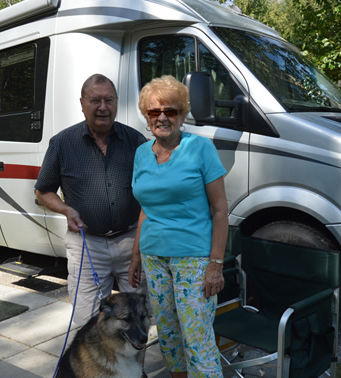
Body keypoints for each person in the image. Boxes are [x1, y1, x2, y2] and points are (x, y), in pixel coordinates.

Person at [128, 75, 228, 378]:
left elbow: (220, 210)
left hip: (193, 259)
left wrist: (216, 264)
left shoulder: (201, 149)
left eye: (170, 111)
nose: (162, 117)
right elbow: (146, 208)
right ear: (146, 117)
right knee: (169, 337)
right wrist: (135, 256)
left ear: (182, 115)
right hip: (154, 256)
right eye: (154, 112)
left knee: (197, 341)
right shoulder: (141, 153)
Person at [35, 73, 148, 326]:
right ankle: (93, 367)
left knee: (139, 317)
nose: (103, 107)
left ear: (117, 103)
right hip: (87, 246)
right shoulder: (63, 143)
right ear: (82, 103)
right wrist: (66, 210)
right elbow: (43, 191)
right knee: (88, 321)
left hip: (131, 243)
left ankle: (133, 366)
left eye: (109, 100)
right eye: (95, 100)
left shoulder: (136, 142)